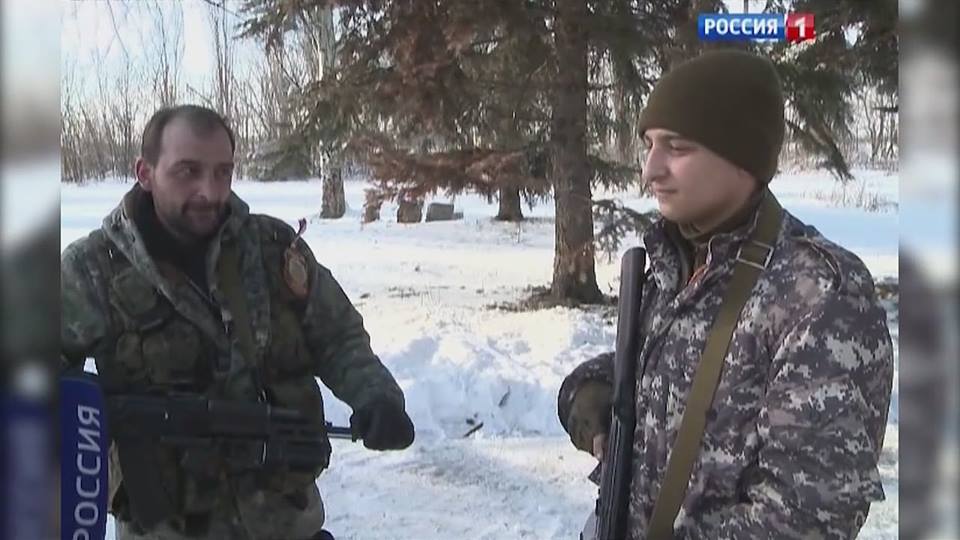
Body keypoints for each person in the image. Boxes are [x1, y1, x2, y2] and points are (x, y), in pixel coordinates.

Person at [558, 50, 894, 538]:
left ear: (742, 156)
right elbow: (671, 372)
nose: (650, 170)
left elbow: (803, 516)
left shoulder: (817, 293)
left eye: (676, 147)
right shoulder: (678, 261)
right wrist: (589, 394)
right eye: (649, 145)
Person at [60, 105, 415, 540]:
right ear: (145, 173)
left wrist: (376, 396)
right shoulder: (92, 270)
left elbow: (337, 335)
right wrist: (91, 413)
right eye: (188, 171)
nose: (209, 191)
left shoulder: (272, 250)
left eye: (223, 172)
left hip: (286, 525)